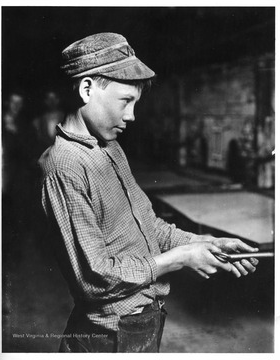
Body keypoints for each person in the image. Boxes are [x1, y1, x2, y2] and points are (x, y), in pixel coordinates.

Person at [38, 33, 259, 353]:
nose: (131, 116)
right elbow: (95, 277)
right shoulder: (63, 166)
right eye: (125, 101)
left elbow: (147, 226)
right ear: (87, 89)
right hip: (109, 335)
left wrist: (203, 243)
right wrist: (180, 258)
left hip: (142, 321)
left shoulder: (110, 147)